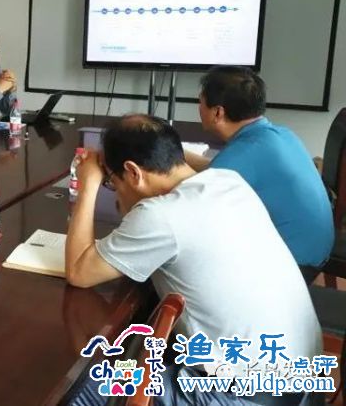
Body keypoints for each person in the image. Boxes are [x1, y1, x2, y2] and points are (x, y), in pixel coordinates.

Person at [67, 115, 321, 406]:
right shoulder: (229, 181)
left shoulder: (160, 216)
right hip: (302, 382)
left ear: (133, 172)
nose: (114, 190)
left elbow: (79, 271)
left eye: (113, 182)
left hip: (244, 395)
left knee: (86, 382)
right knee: (138, 347)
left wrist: (88, 184)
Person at [185, 66, 334, 280]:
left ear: (218, 112)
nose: (198, 108)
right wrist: (176, 152)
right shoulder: (279, 135)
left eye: (200, 102)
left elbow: (191, 204)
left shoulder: (242, 154)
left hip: (293, 267)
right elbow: (217, 169)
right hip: (316, 250)